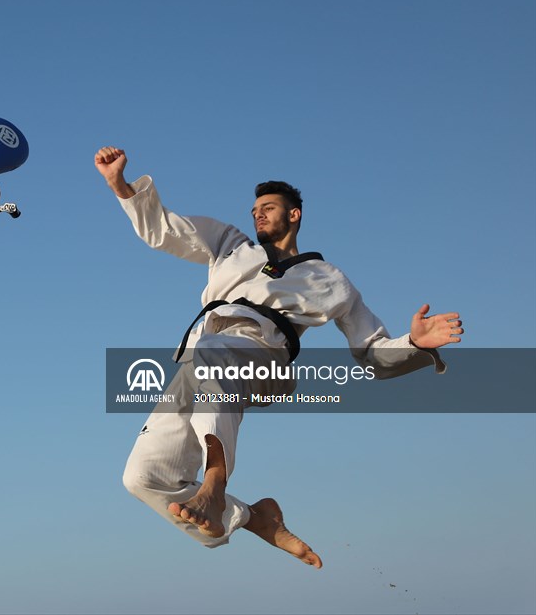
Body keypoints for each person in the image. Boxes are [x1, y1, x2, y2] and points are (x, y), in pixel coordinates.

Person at [94, 146, 463, 568]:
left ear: (294, 215)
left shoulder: (330, 280)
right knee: (141, 476)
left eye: (268, 208)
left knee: (214, 351)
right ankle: (255, 518)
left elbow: (371, 353)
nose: (258, 215)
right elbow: (163, 229)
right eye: (254, 210)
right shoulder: (230, 245)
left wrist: (414, 343)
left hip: (263, 357)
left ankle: (215, 482)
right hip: (202, 357)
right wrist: (119, 184)